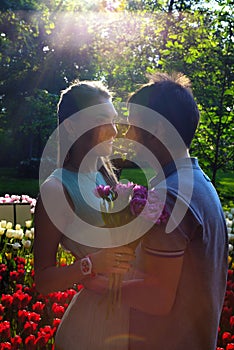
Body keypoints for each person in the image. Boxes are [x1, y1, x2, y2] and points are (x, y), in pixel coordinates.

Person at [121, 72, 228, 349]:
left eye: (133, 126)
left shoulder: (168, 197)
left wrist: (96, 282)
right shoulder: (198, 183)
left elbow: (156, 297)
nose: (127, 135)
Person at [33, 80, 135, 350]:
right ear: (71, 125)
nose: (114, 131)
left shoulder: (107, 177)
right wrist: (91, 264)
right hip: (91, 330)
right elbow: (43, 280)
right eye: (102, 120)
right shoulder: (57, 189)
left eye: (113, 120)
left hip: (128, 318)